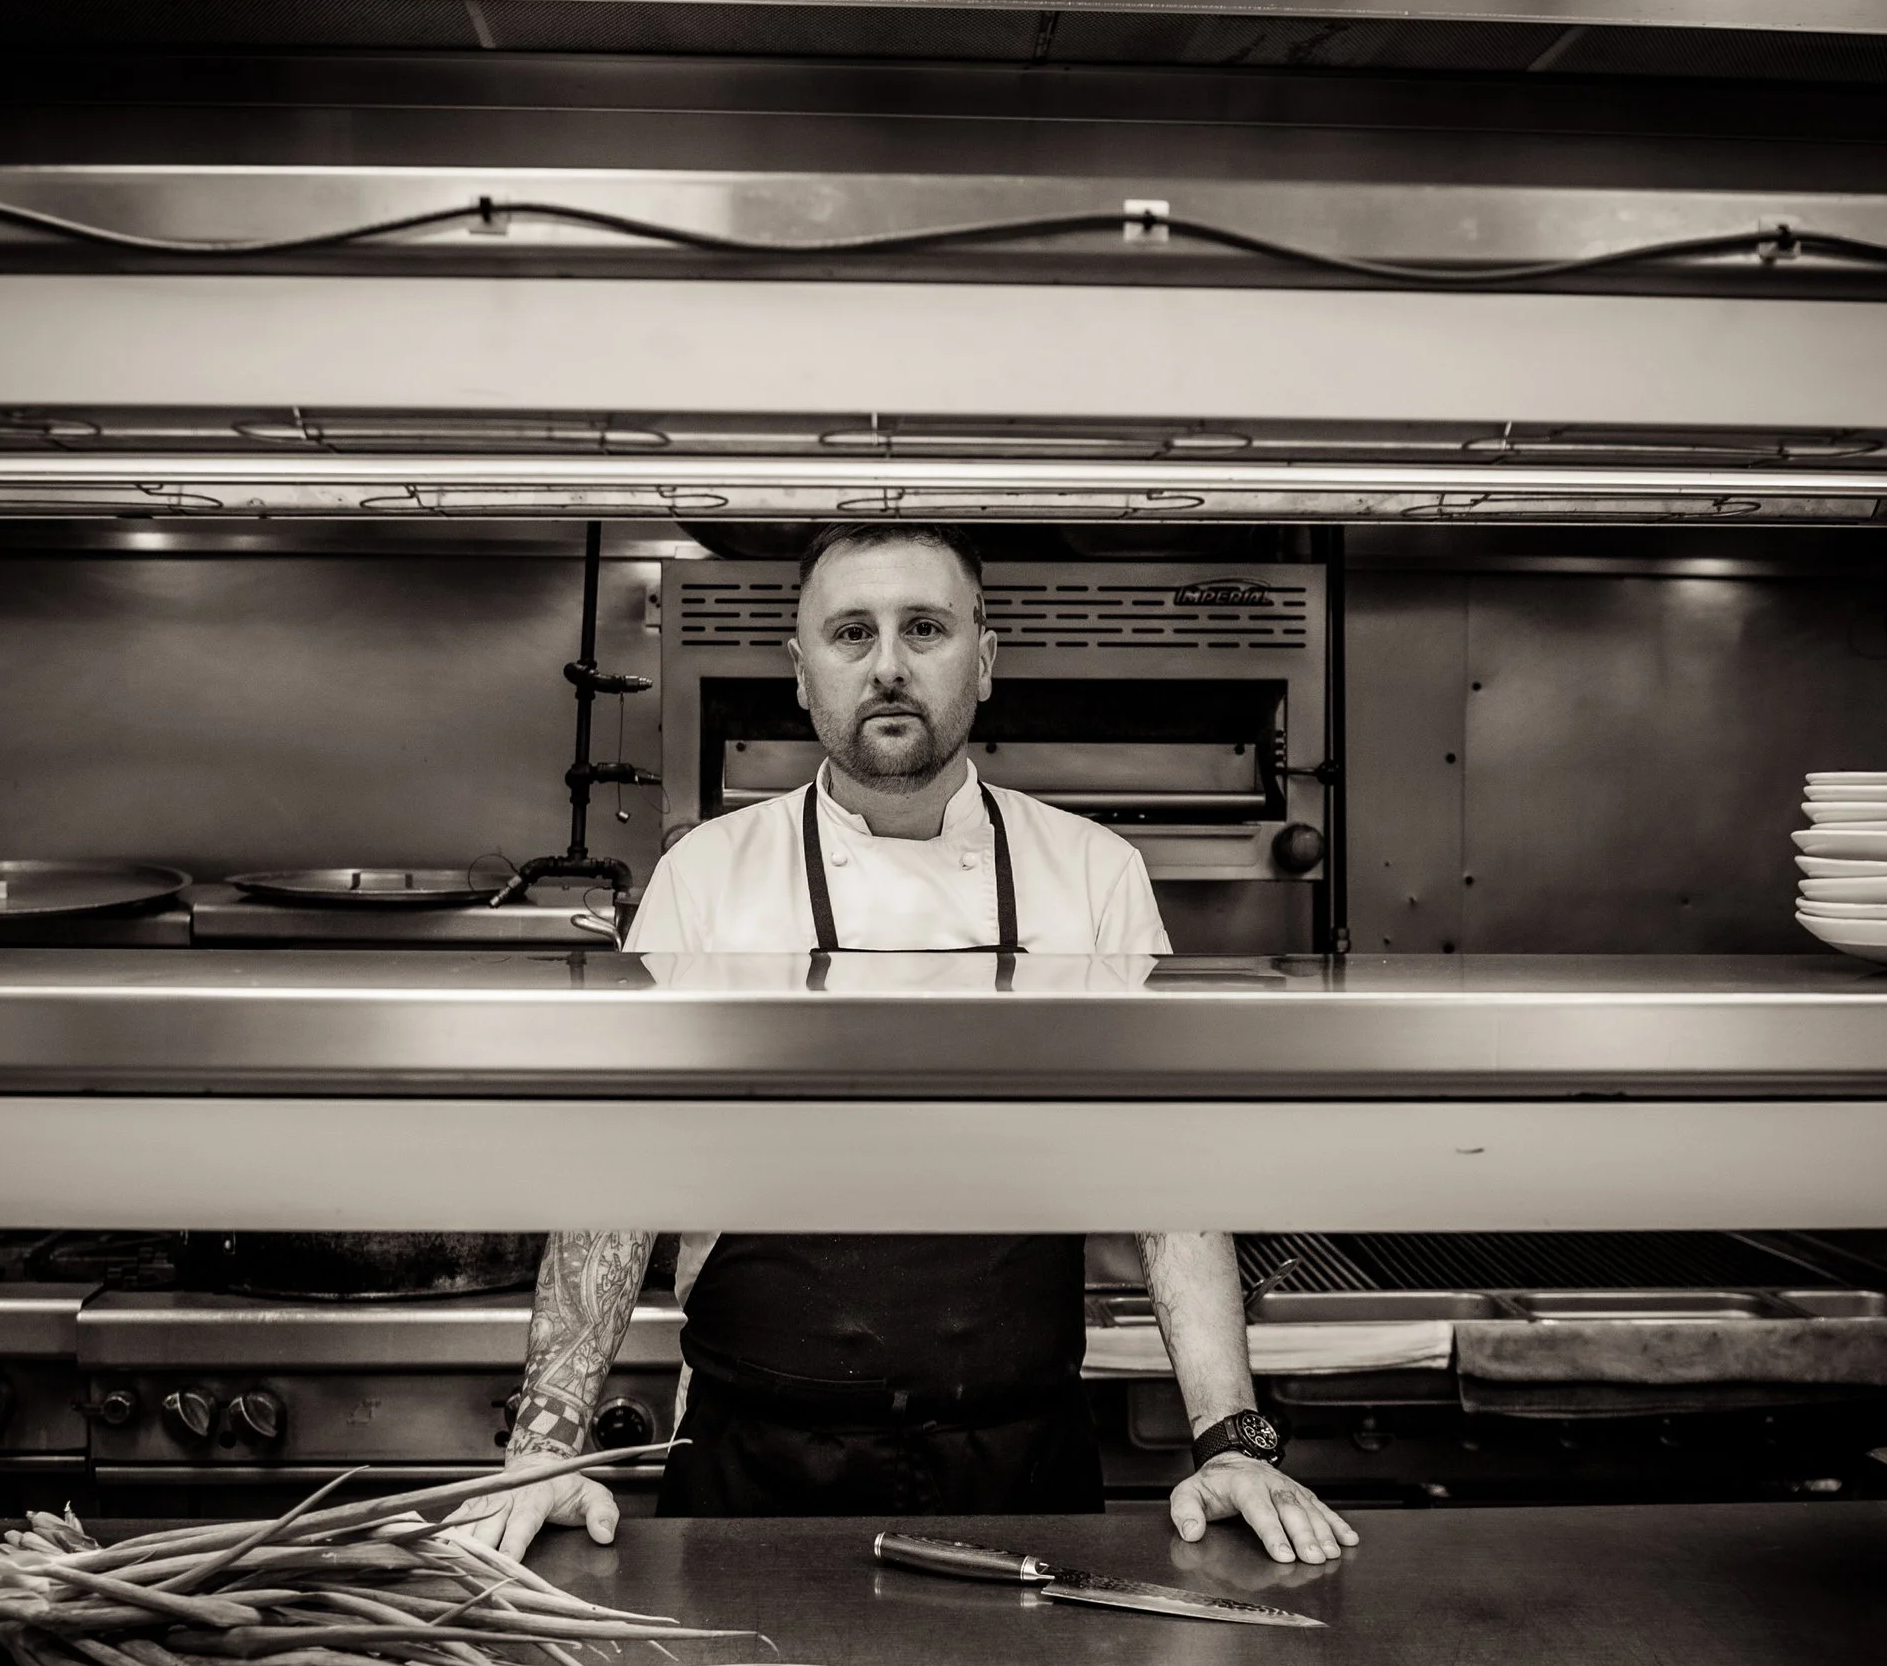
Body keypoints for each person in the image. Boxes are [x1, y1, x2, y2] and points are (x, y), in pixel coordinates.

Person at [449, 523, 1358, 1568]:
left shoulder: (1093, 873)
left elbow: (1166, 1179)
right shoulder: (707, 875)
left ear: (983, 657)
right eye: (850, 634)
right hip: (753, 1456)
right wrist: (545, 1443)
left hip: (1024, 1458)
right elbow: (620, 1177)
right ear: (801, 676)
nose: (887, 664)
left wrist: (1231, 1441)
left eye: (923, 628)